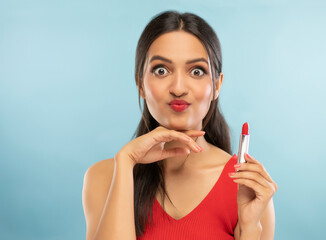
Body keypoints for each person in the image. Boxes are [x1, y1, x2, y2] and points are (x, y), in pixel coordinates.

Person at [82, 10, 278, 240]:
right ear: (140, 83)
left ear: (217, 85)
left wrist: (249, 227)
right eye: (161, 70)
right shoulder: (104, 177)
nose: (178, 87)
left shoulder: (247, 189)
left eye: (196, 71)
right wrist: (126, 162)